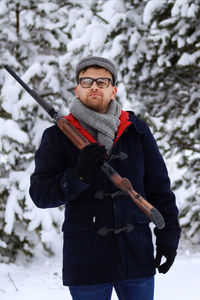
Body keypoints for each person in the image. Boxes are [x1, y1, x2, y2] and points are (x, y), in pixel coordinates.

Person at [29, 56, 181, 300]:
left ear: (113, 90)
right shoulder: (57, 136)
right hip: (86, 261)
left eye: (102, 81)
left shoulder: (136, 130)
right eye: (86, 81)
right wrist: (78, 174)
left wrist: (168, 237)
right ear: (77, 89)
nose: (94, 86)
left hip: (136, 256)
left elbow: (159, 188)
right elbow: (40, 195)